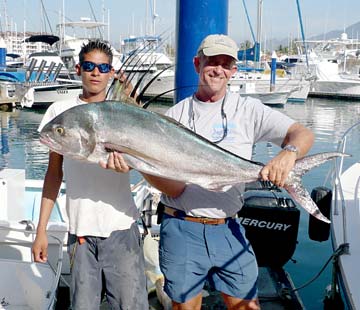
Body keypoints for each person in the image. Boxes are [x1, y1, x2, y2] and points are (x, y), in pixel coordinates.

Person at [109, 34, 314, 309]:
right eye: (210, 62)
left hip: (229, 227)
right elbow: (175, 189)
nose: (217, 69)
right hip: (182, 227)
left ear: (233, 71)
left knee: (247, 307)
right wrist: (137, 161)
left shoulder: (248, 110)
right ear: (197, 63)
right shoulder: (173, 118)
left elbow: (301, 134)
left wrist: (288, 155)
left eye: (225, 63)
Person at [32, 39, 151, 310]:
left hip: (122, 228)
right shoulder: (58, 112)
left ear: (111, 72)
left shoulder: (126, 112)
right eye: (89, 66)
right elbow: (53, 174)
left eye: (102, 67)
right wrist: (41, 231)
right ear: (78, 69)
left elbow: (146, 154)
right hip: (80, 234)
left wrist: (136, 108)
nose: (95, 72)